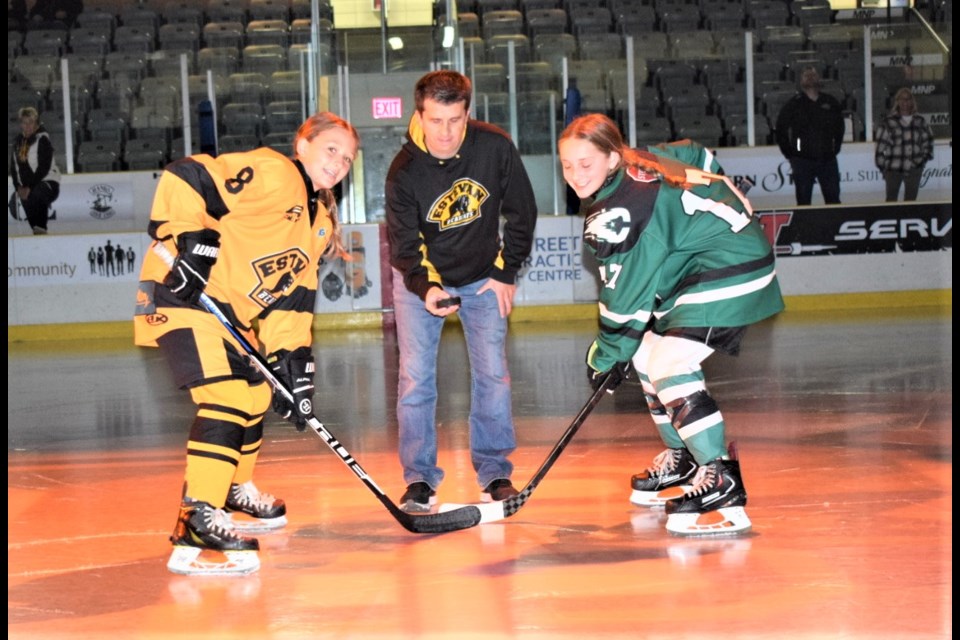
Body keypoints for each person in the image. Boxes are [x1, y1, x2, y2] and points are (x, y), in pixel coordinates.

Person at [133, 112, 359, 575]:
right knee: (228, 397)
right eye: (331, 149)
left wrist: (292, 364)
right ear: (302, 145)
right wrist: (189, 238)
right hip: (183, 295)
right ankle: (198, 516)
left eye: (347, 158)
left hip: (231, 316)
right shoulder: (275, 173)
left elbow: (292, 300)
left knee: (258, 392)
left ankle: (234, 490)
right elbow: (189, 175)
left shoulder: (317, 224)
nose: (338, 162)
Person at [558, 113, 784, 536]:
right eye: (567, 166)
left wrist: (603, 358)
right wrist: (732, 194)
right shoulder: (639, 157)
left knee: (669, 364)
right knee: (646, 353)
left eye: (585, 164)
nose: (574, 175)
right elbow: (696, 152)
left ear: (610, 158)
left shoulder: (617, 213)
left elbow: (624, 304)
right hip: (712, 261)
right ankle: (684, 457)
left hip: (730, 266)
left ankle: (721, 478)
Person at [385, 70, 538, 513]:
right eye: (435, 120)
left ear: (467, 113)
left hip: (482, 276)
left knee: (492, 374)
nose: (445, 133)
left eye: (455, 120)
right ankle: (419, 479)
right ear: (420, 115)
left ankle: (494, 472)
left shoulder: (494, 147)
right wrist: (427, 288)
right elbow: (405, 248)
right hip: (419, 280)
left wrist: (507, 271)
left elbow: (522, 211)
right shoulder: (404, 172)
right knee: (416, 379)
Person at [775, 66, 845, 206]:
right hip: (802, 161)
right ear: (800, 81)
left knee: (833, 200)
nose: (810, 78)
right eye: (806, 75)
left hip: (827, 160)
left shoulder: (830, 101)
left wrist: (834, 148)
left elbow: (840, 127)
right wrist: (790, 153)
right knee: (803, 201)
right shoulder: (794, 103)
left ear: (819, 79)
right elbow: (781, 128)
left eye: (813, 75)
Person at [874, 87, 935, 202]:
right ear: (897, 102)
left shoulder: (920, 121)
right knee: (891, 201)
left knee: (911, 202)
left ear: (912, 101)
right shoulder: (888, 122)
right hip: (893, 168)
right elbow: (880, 148)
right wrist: (884, 169)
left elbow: (929, 141)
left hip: (914, 168)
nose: (905, 102)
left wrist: (922, 160)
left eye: (908, 99)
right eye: (902, 99)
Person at [9, 107, 61, 235]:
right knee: (25, 197)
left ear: (36, 123)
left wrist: (29, 187)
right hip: (27, 186)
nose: (27, 126)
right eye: (24, 122)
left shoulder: (42, 140)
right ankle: (37, 231)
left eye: (30, 122)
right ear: (20, 124)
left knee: (36, 191)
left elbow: (43, 168)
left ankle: (41, 229)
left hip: (48, 183)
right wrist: (19, 187)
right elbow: (14, 169)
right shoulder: (17, 144)